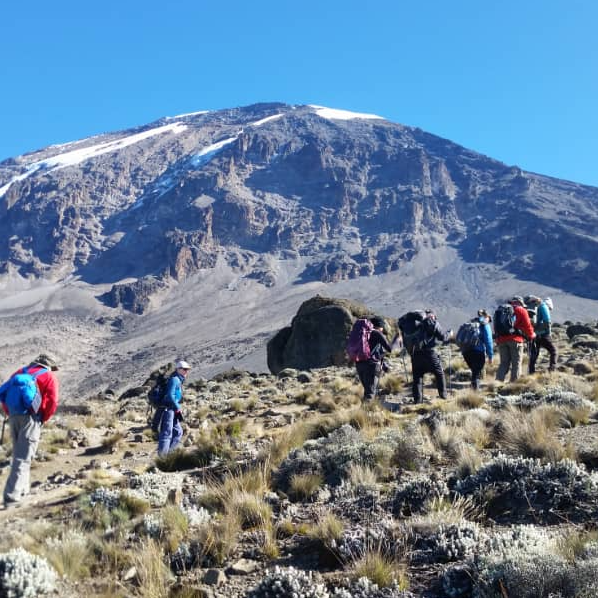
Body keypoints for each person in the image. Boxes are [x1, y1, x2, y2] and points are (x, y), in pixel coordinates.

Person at [0, 354, 60, 507]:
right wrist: (43, 418)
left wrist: (10, 412)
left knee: (20, 455)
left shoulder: (20, 372)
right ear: (49, 365)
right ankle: (11, 496)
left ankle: (23, 491)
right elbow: (52, 401)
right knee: (23, 457)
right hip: (31, 418)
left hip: (13, 416)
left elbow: (5, 394)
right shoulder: (48, 376)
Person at [403, 310, 452, 403]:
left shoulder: (415, 325)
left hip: (415, 354)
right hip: (430, 353)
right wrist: (450, 333)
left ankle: (417, 401)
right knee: (439, 373)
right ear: (433, 316)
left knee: (417, 377)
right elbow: (443, 337)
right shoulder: (433, 323)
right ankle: (443, 396)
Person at [495, 296, 535, 383]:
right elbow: (527, 325)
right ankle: (514, 384)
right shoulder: (521, 310)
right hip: (515, 340)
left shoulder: (501, 310)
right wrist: (531, 335)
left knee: (504, 363)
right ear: (520, 303)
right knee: (516, 363)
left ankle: (497, 383)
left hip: (501, 340)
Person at [157, 360, 191, 456]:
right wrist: (177, 406)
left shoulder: (179, 380)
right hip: (168, 409)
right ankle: (162, 458)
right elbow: (170, 395)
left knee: (178, 432)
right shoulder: (174, 379)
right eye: (184, 369)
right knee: (167, 433)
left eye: (187, 369)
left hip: (173, 409)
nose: (186, 371)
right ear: (178, 369)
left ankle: (169, 455)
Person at [355, 316, 393, 401]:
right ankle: (367, 412)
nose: (383, 329)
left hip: (359, 364)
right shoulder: (376, 333)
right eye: (382, 327)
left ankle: (363, 412)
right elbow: (389, 348)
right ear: (380, 326)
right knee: (370, 393)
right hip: (371, 365)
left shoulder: (362, 333)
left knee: (368, 390)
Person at [460, 309, 494, 390]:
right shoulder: (485, 324)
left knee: (474, 371)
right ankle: (475, 392)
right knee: (477, 372)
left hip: (466, 351)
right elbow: (488, 340)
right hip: (478, 351)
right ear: (486, 316)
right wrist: (490, 355)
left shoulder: (471, 322)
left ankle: (473, 389)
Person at [529, 297, 557, 373]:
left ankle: (531, 372)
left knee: (535, 354)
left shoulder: (538, 308)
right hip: (543, 334)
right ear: (550, 305)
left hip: (535, 335)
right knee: (553, 351)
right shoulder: (544, 306)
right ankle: (552, 369)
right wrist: (548, 332)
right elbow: (547, 321)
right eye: (550, 309)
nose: (550, 310)